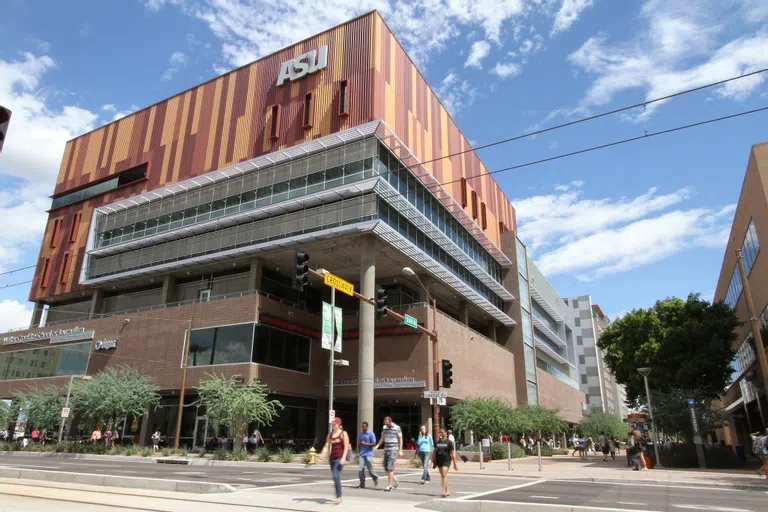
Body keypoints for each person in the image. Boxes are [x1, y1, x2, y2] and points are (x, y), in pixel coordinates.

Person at [320, 417, 350, 505]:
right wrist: (322, 454)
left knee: (336, 476)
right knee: (335, 476)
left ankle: (339, 497)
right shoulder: (330, 435)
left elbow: (346, 447)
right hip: (332, 458)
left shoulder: (343, 434)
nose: (333, 425)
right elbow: (326, 445)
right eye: (332, 424)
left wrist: (344, 457)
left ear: (339, 425)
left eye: (334, 424)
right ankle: (338, 496)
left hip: (339, 458)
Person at [374, 416, 403, 492]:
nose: (386, 425)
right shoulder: (384, 427)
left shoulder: (397, 428)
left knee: (390, 467)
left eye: (387, 424)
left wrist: (400, 450)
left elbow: (400, 439)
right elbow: (382, 438)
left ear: (390, 422)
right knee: (385, 466)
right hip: (386, 449)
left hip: (394, 449)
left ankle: (389, 485)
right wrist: (377, 446)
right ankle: (395, 479)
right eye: (385, 424)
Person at [431, 428, 458, 498]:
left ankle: (443, 491)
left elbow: (452, 454)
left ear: (445, 433)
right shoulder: (437, 442)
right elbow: (434, 451)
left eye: (441, 432)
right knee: (443, 476)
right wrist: (432, 460)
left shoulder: (449, 442)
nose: (440, 434)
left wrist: (455, 464)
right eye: (439, 432)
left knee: (443, 474)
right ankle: (447, 490)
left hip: (446, 460)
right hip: (439, 460)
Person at [357, 421, 378, 488]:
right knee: (361, 469)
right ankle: (362, 484)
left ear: (367, 427)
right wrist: (358, 451)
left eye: (364, 427)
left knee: (370, 468)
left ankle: (375, 478)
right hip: (362, 454)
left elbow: (374, 443)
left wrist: (365, 444)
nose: (363, 428)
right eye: (362, 427)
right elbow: (360, 444)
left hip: (369, 454)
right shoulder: (360, 434)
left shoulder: (371, 434)